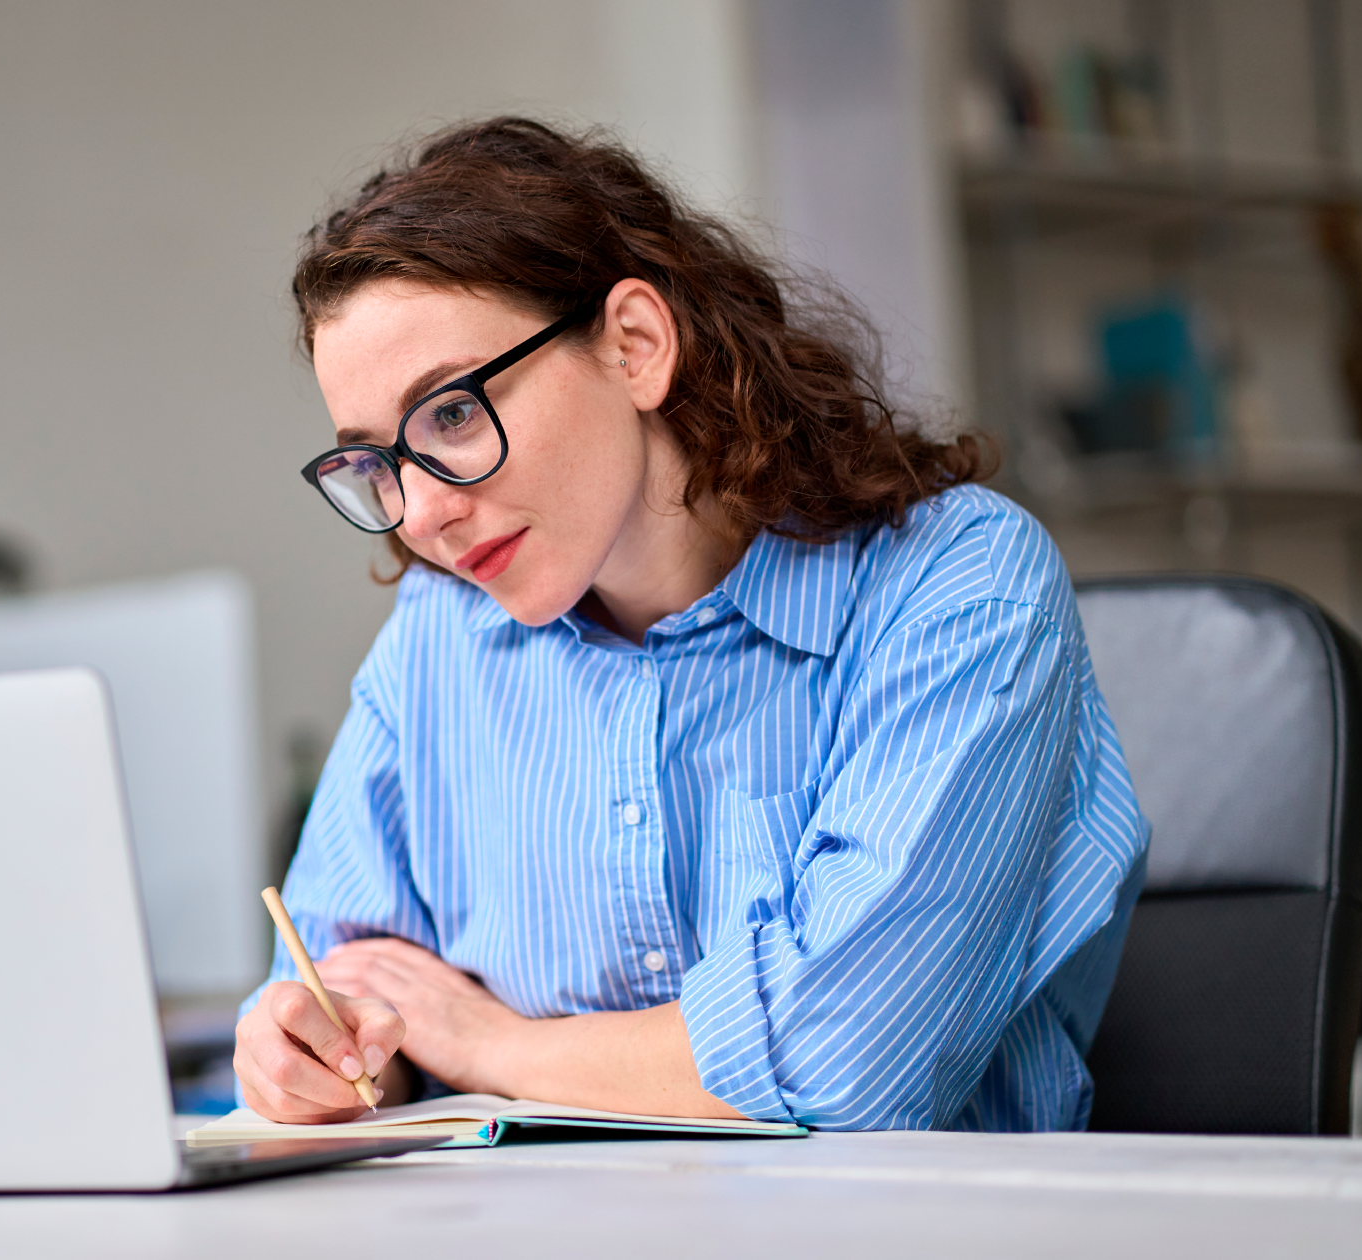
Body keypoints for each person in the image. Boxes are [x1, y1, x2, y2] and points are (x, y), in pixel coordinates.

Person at [235, 118, 1147, 1132]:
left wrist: (486, 1043)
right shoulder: (437, 641)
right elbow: (344, 1000)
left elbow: (845, 1066)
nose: (423, 513)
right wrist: (318, 1056)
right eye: (376, 465)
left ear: (635, 346)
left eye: (450, 414)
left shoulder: (960, 592)